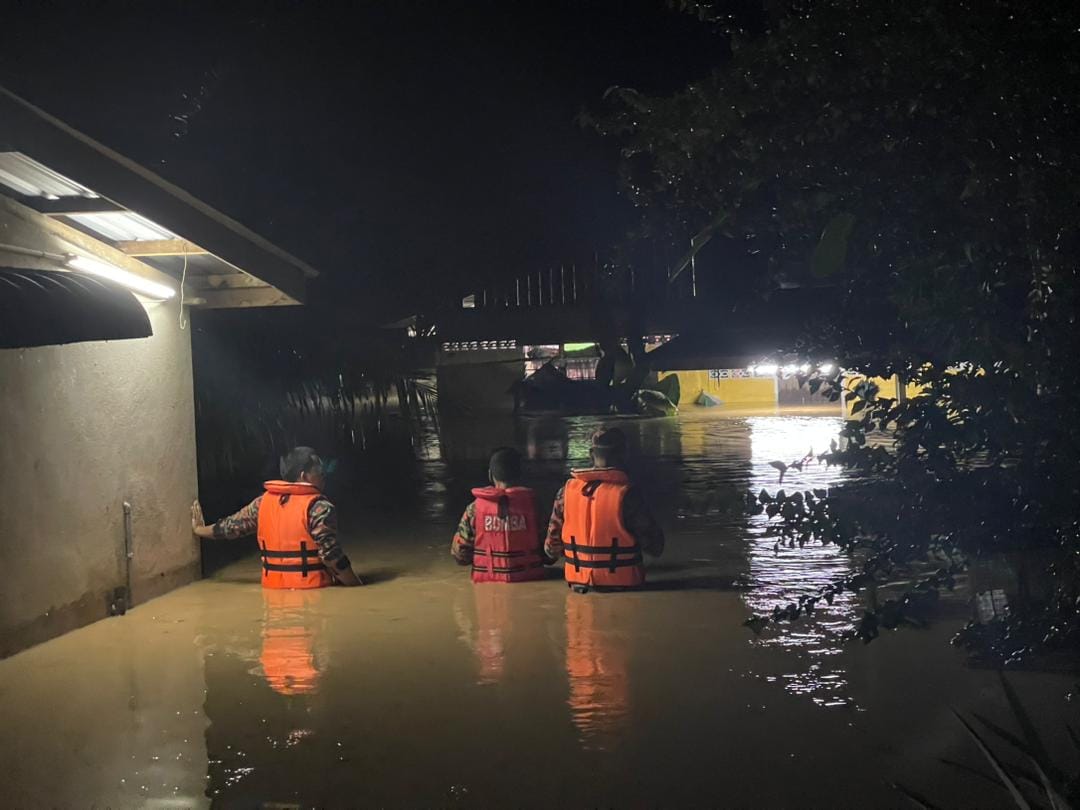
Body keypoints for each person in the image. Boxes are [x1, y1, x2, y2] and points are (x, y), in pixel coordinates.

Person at [192, 446, 362, 588]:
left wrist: (199, 530)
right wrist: (356, 585)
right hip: (312, 590)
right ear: (303, 476)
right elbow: (331, 555)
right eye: (318, 469)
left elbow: (231, 528)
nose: (323, 474)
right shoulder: (319, 508)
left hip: (272, 590)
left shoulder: (262, 503)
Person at [546, 427, 664, 592]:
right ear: (624, 455)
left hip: (578, 584)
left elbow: (551, 549)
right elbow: (656, 547)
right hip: (623, 586)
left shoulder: (565, 492)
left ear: (590, 454)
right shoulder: (628, 495)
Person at [451, 447, 549, 582]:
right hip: (530, 579)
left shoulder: (474, 509)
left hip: (487, 586)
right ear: (520, 474)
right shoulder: (535, 507)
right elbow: (550, 554)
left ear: (490, 475)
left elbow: (460, 556)